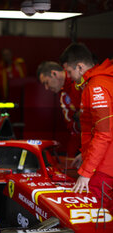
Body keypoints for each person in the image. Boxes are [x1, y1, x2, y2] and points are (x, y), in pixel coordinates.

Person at [60, 42, 113, 212]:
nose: (69, 76)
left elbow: (104, 133)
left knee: (96, 218)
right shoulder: (102, 81)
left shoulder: (96, 86)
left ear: (80, 66)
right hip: (104, 163)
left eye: (69, 72)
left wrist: (86, 172)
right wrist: (86, 155)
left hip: (104, 169)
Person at [37, 61, 81, 157]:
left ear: (54, 73)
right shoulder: (63, 94)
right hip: (78, 144)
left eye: (46, 83)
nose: (46, 88)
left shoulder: (78, 81)